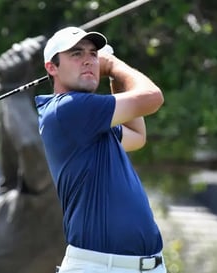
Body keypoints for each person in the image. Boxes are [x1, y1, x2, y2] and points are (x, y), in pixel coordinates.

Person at [34, 26, 166, 273]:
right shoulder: (69, 109)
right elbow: (152, 97)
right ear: (52, 68)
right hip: (99, 266)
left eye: (94, 54)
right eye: (76, 54)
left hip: (146, 266)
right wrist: (113, 65)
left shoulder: (89, 121)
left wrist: (113, 77)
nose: (88, 60)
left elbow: (136, 136)